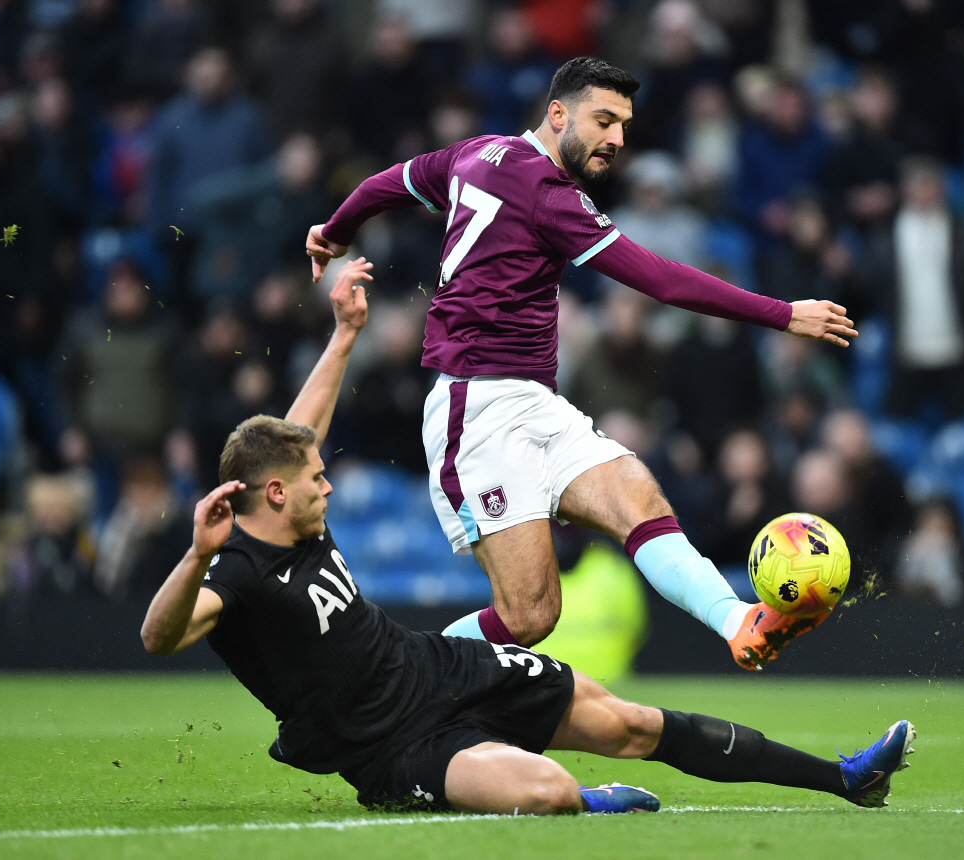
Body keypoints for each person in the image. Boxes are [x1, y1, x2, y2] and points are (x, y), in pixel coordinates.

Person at [140, 259, 916, 815]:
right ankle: (586, 800)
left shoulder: (292, 508)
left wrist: (343, 337)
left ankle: (845, 780)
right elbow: (158, 636)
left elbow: (299, 433)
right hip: (389, 749)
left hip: (435, 666)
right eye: (315, 481)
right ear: (273, 493)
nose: (329, 485)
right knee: (547, 792)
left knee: (630, 722)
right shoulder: (233, 571)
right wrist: (198, 553)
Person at [305, 57, 858, 671]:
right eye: (603, 121)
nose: (616, 139)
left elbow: (389, 183)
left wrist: (334, 228)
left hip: (536, 402)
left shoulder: (475, 154)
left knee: (637, 495)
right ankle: (384, 678)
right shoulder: (548, 196)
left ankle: (739, 622)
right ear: (558, 113)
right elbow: (662, 280)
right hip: (477, 410)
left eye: (622, 125)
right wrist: (784, 314)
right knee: (528, 617)